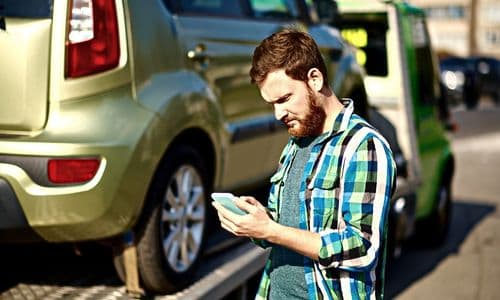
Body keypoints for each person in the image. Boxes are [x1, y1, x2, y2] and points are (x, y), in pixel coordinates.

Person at [212, 29, 396, 300]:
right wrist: (259, 221)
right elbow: (287, 229)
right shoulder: (296, 143)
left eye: (284, 99)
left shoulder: (363, 146)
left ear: (315, 79)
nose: (278, 114)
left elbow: (362, 248)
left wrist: (271, 230)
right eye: (272, 104)